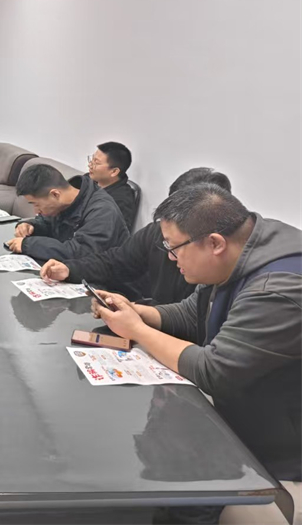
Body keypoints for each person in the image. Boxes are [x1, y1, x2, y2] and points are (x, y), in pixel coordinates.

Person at [90, 184, 301, 489]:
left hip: (277, 450)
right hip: (240, 415)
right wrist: (135, 311)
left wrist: (136, 330)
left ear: (214, 243)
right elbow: (193, 314)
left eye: (174, 247)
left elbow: (214, 371)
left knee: (155, 475)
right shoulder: (239, 252)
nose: (171, 257)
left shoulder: (277, 291)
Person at [39, 168, 232, 305]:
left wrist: (138, 316)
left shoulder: (226, 271)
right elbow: (115, 261)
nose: (170, 254)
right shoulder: (157, 232)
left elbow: (191, 326)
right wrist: (70, 269)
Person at [6, 163, 129, 262]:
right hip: (72, 270)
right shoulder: (65, 200)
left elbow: (80, 253)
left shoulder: (102, 211)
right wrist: (32, 226)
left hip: (108, 280)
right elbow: (47, 222)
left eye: (36, 204)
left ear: (55, 194)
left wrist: (28, 245)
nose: (36, 210)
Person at [87, 141, 137, 229]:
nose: (90, 165)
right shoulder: (88, 179)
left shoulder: (119, 202)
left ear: (114, 171)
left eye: (96, 163)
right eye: (92, 159)